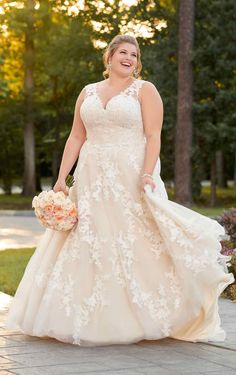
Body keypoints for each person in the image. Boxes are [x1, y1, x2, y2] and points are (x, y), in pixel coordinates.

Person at [4, 34, 235, 347]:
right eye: (123, 52)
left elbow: (153, 136)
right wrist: (62, 179)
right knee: (88, 239)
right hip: (90, 175)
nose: (129, 58)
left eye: (134, 54)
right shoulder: (87, 92)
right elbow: (76, 137)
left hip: (130, 174)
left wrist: (146, 173)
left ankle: (156, 312)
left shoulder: (145, 90)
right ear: (109, 57)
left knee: (136, 240)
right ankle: (81, 316)